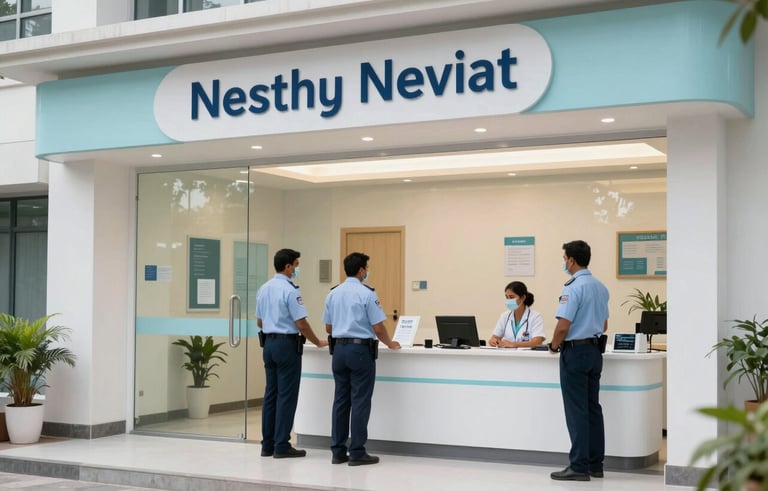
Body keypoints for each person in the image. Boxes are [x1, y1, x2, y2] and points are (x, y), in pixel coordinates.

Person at [323, 252, 401, 466]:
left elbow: (328, 327)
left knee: (340, 401)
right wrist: (391, 343)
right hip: (359, 352)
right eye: (366, 268)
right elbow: (378, 327)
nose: (367, 271)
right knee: (360, 401)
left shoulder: (333, 293)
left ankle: (338, 452)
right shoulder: (367, 293)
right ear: (360, 270)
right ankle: (356, 452)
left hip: (338, 351)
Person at [255, 248, 328, 459]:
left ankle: (267, 445)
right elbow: (301, 324)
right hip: (286, 346)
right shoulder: (291, 290)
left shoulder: (264, 288)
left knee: (271, 395)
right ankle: (282, 445)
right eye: (296, 265)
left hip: (268, 344)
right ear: (288, 266)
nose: (297, 269)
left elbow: (260, 321)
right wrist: (318, 342)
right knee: (286, 396)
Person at [548, 240, 609, 481]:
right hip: (595, 352)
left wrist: (553, 346)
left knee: (577, 411)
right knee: (593, 408)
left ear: (571, 260)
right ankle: (596, 464)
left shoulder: (572, 288)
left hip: (574, 353)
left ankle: (578, 466)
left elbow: (563, 327)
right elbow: (604, 324)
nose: (564, 263)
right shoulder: (601, 287)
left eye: (564, 259)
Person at [488, 281, 545, 348]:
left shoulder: (535, 317)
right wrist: (493, 341)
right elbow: (495, 337)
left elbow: (537, 342)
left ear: (523, 298)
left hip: (528, 356)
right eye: (507, 297)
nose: (508, 300)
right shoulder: (505, 316)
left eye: (511, 297)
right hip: (507, 356)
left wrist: (513, 344)